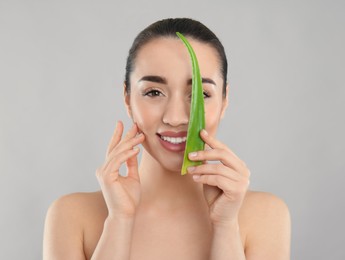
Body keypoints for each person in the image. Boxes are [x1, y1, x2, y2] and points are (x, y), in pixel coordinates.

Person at [43, 18, 291, 259]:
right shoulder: (71, 217)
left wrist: (226, 227)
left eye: (200, 94)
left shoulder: (265, 215)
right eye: (153, 92)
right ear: (128, 99)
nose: (175, 118)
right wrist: (119, 220)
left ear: (224, 100)